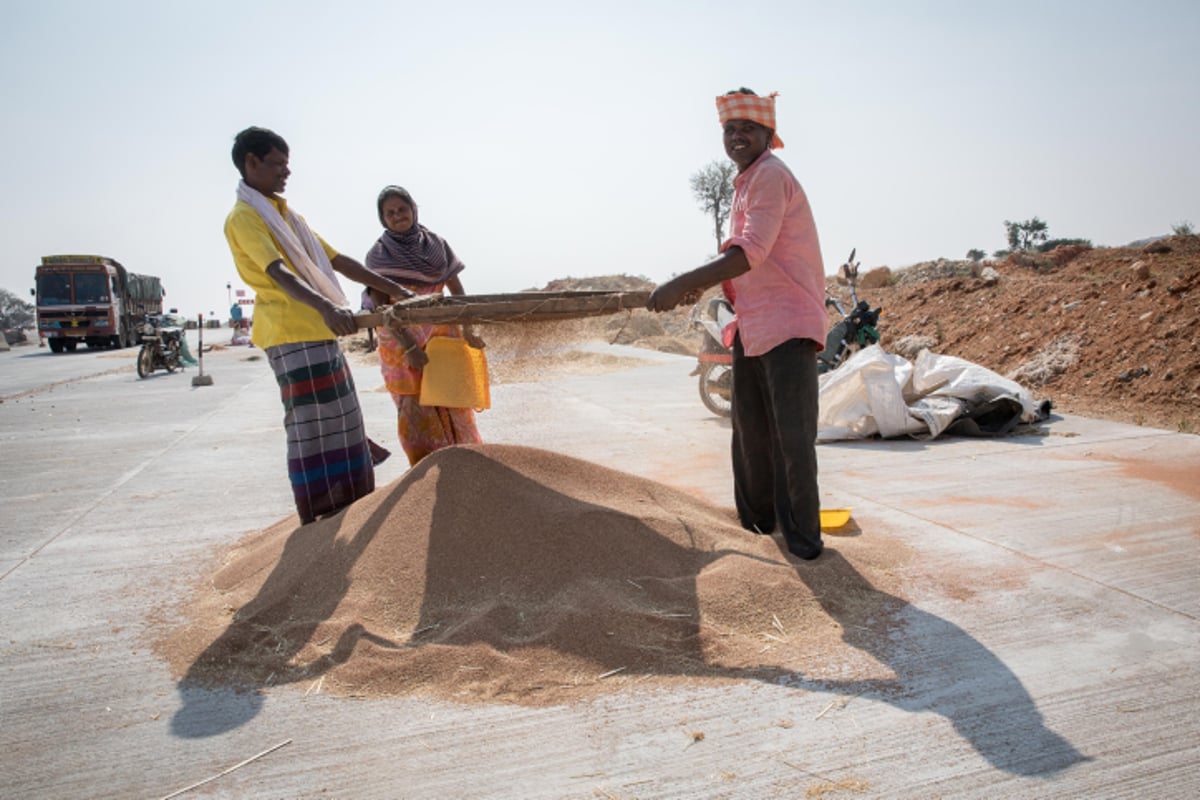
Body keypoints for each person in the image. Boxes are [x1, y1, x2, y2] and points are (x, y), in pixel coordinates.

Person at [646, 89, 827, 561]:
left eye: (748, 127)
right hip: (755, 324)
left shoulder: (769, 176)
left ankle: (803, 543)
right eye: (730, 128)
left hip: (788, 322)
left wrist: (680, 284)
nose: (737, 135)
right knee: (749, 433)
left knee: (791, 439)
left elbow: (749, 253)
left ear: (769, 134)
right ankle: (757, 526)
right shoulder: (745, 181)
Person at [223, 126, 412, 524]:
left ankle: (356, 506)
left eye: (287, 165)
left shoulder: (288, 216)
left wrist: (398, 291)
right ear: (251, 162)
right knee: (312, 427)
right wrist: (328, 306)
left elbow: (337, 260)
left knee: (344, 421)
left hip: (320, 332)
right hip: (290, 334)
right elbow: (278, 273)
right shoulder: (244, 218)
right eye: (278, 164)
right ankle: (319, 519)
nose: (286, 173)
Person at [363, 185, 485, 466]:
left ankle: (466, 465)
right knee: (415, 407)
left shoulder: (436, 245)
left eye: (402, 209)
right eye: (390, 213)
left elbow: (457, 291)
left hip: (442, 337)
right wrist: (409, 348)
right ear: (383, 219)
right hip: (400, 343)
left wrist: (469, 330)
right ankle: (425, 472)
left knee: (452, 398)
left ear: (414, 209)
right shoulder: (378, 255)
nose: (397, 216)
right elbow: (382, 307)